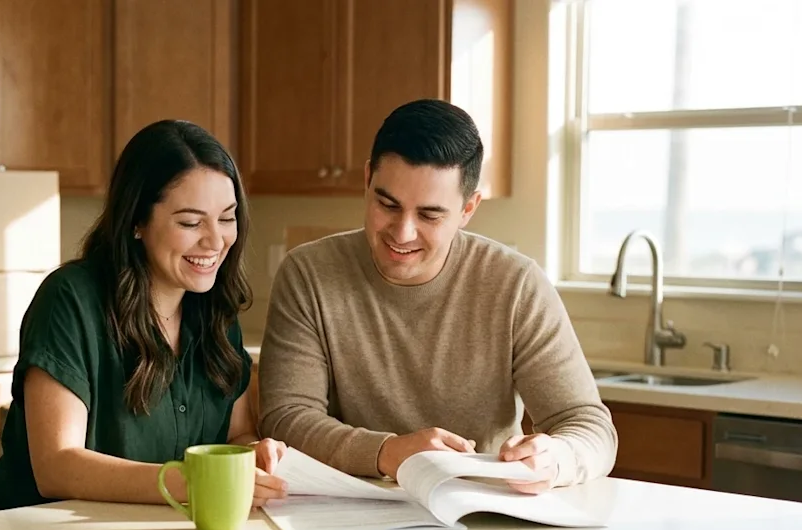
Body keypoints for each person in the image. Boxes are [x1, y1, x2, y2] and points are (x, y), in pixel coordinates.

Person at [258, 99, 617, 493]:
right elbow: (286, 417)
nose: (403, 232)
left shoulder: (516, 285)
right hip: (354, 511)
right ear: (366, 180)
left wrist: (558, 458)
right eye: (387, 204)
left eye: (429, 215)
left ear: (468, 209)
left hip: (483, 514)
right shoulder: (309, 274)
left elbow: (590, 426)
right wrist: (388, 452)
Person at [0, 119, 288, 512]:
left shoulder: (215, 308)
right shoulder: (69, 300)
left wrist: (253, 456)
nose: (215, 240)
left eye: (227, 218)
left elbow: (238, 432)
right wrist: (187, 483)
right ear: (137, 222)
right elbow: (56, 466)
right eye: (191, 222)